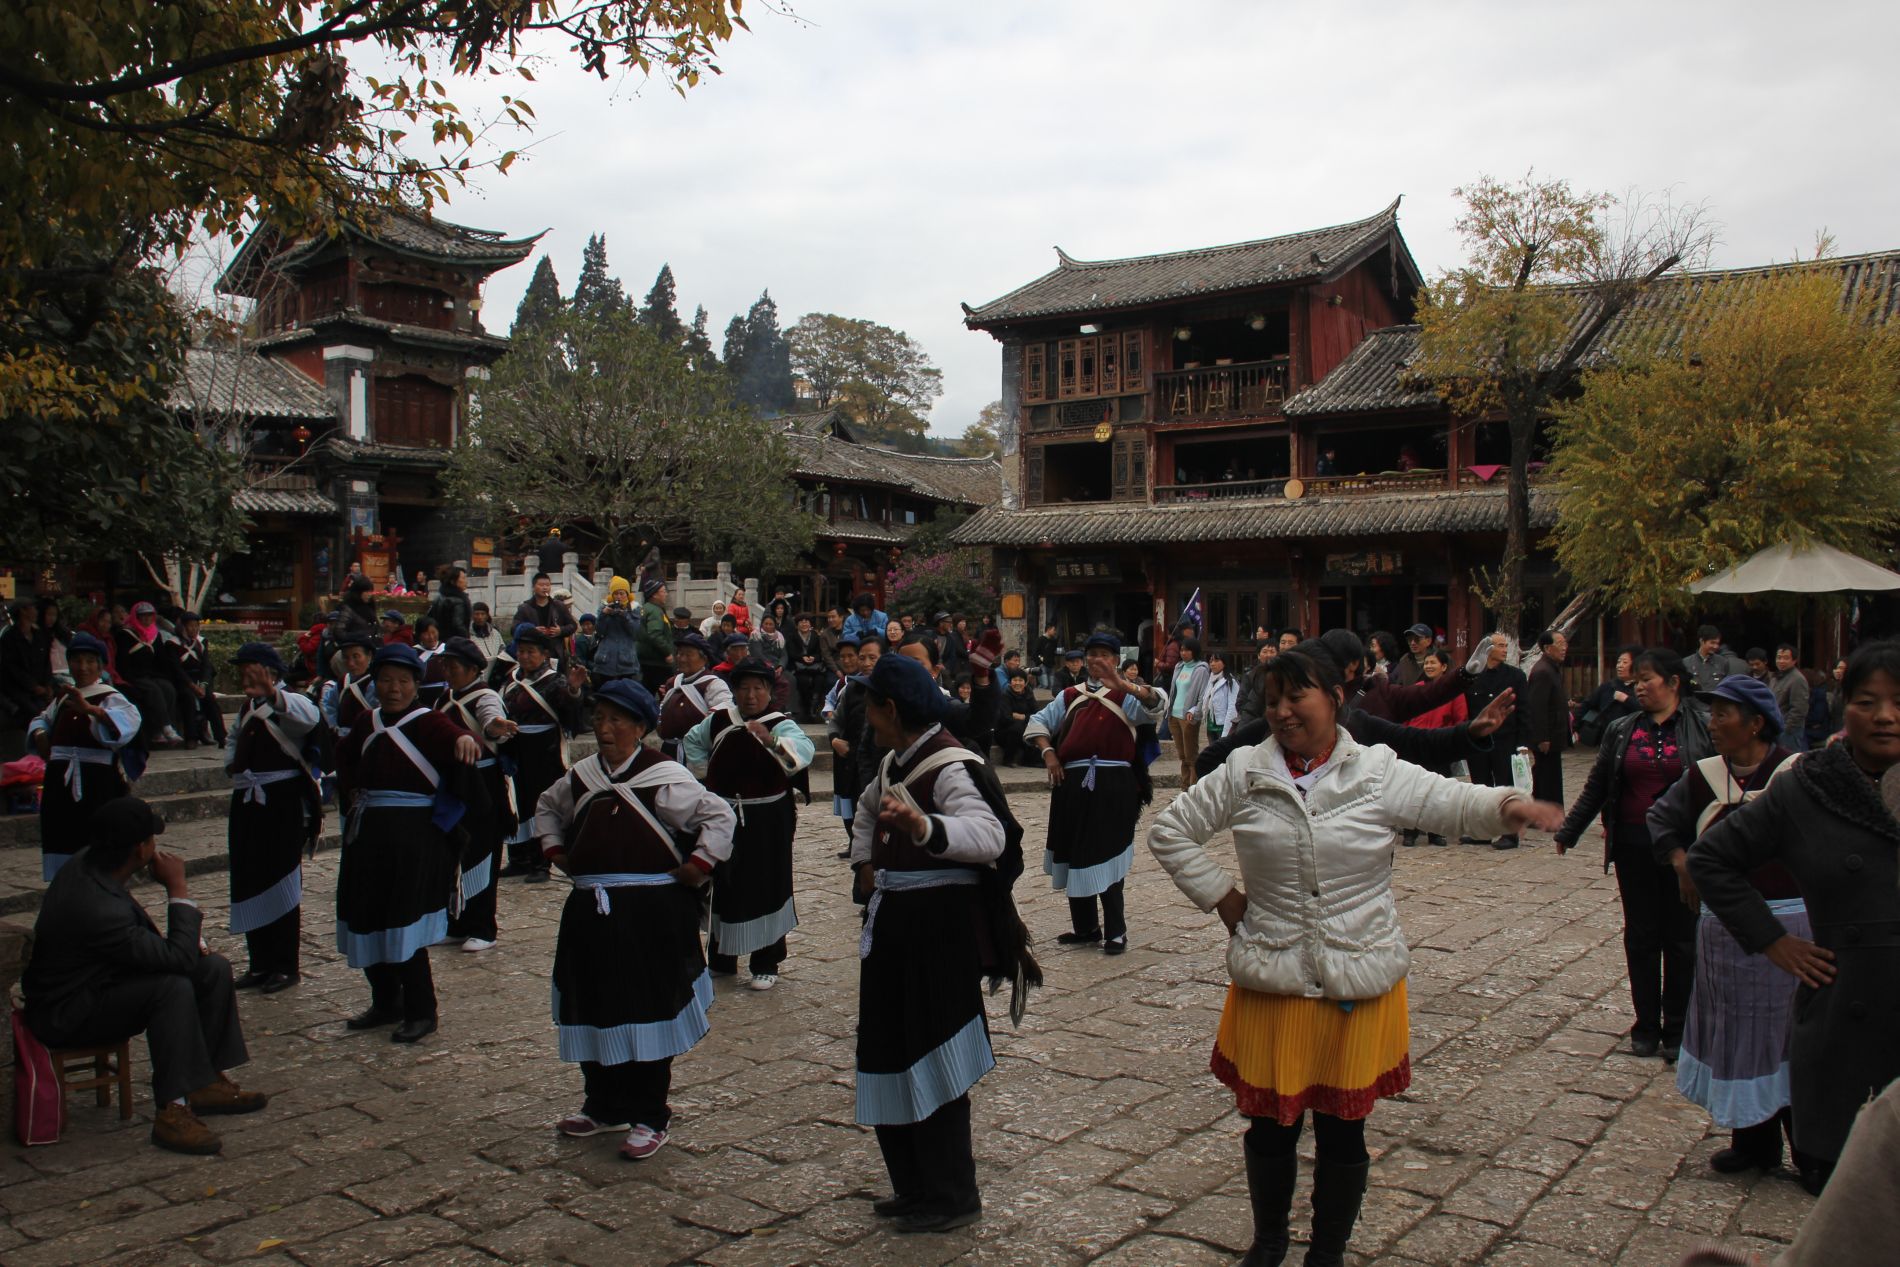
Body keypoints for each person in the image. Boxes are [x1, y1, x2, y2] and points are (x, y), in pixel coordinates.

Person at [1147, 648, 1561, 1267]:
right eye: (1274, 701)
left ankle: (1328, 1251)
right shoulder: (1244, 770)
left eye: (1297, 698)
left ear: (1335, 699)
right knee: (1269, 1127)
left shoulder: (1375, 769)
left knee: (1343, 1131)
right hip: (1274, 975)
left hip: (1353, 974)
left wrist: (1506, 806)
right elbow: (1170, 830)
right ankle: (1268, 1242)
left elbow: (1447, 801)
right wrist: (1226, 899)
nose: (1283, 712)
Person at [1688, 639, 1900, 1197]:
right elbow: (1713, 859)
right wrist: (1774, 940)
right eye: (1867, 701)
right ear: (1841, 705)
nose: (1885, 716)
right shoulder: (1807, 787)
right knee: (1840, 1187)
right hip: (1843, 1000)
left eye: (1899, 701)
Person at [535, 679, 736, 1161]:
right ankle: (602, 1104)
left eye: (616, 720)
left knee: (647, 1007)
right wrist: (558, 852)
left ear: (641, 727)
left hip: (651, 912)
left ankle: (650, 1114)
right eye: (599, 718)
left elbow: (720, 816)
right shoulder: (581, 778)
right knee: (594, 1002)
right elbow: (546, 807)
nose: (605, 728)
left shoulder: (664, 777)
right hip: (591, 909)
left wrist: (697, 866)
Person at [849, 653, 1009, 1234]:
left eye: (870, 705)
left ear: (890, 709)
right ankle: (911, 1186)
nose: (865, 716)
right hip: (894, 925)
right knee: (889, 1049)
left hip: (939, 931)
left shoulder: (947, 765)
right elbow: (868, 811)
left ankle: (951, 1194)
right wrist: (865, 863)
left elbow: (988, 835)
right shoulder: (895, 763)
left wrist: (924, 828)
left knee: (935, 1058)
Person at [21, 797, 268, 1154]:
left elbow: (160, 950)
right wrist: (177, 890)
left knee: (212, 969)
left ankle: (204, 1080)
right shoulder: (95, 904)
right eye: (151, 840)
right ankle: (173, 1109)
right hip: (69, 1009)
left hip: (102, 980)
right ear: (139, 849)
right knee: (171, 988)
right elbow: (175, 960)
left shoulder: (95, 867)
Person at [1644, 675, 1802, 1177]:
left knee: (1792, 1034)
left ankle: (1813, 1148)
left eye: (1722, 715)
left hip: (1790, 926)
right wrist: (1682, 860)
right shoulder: (1703, 776)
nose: (1711, 725)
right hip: (1726, 932)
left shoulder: (1798, 773)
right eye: (1709, 714)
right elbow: (1661, 819)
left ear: (1757, 723)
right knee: (1739, 1032)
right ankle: (1752, 1141)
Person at [1555, 648, 1711, 1061]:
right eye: (1636, 680)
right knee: (1640, 936)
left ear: (1673, 683)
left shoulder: (1702, 726)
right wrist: (1570, 830)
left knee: (1681, 939)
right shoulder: (1622, 729)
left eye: (1648, 679)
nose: (1639, 686)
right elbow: (1598, 785)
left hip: (1685, 851)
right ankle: (1646, 1025)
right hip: (1633, 846)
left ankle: (1677, 1029)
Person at [334, 642, 488, 1044]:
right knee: (367, 915)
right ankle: (385, 1001)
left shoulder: (428, 722)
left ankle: (422, 1010)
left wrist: (466, 741)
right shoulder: (367, 723)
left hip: (412, 837)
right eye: (386, 680)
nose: (393, 688)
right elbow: (345, 758)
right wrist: (351, 792)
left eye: (402, 681)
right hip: (369, 835)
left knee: (404, 921)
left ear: (416, 685)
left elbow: (460, 738)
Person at [1024, 629, 1164, 955]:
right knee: (1075, 852)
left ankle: (1116, 931)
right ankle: (1085, 927)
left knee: (1107, 854)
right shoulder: (1070, 695)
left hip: (1114, 787)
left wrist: (1125, 684)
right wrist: (1049, 753)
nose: (1097, 660)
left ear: (1115, 660)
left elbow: (1156, 704)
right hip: (1070, 785)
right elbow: (1037, 724)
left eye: (1104, 655)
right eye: (1092, 654)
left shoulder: (1128, 695)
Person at [684, 657, 813, 988]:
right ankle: (722, 959)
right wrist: (704, 778)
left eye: (758, 688)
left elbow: (801, 753)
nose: (751, 695)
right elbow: (692, 743)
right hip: (724, 815)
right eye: (744, 688)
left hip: (768, 818)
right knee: (723, 883)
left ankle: (766, 961)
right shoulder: (719, 720)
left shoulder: (779, 723)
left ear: (769, 691)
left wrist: (771, 743)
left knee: (767, 884)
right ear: (734, 691)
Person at [223, 643, 321, 993]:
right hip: (249, 799)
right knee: (250, 876)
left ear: (270, 672)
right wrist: (233, 766)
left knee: (280, 879)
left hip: (282, 801)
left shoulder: (288, 703)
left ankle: (284, 964)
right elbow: (234, 739)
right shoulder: (247, 707)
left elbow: (309, 717)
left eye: (252, 668)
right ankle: (259, 962)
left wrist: (275, 697)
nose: (245, 675)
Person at [27, 632, 142, 881]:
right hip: (60, 784)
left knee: (94, 839)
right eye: (77, 661)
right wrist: (39, 735)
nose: (83, 667)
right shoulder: (63, 698)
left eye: (90, 661)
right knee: (62, 836)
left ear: (100, 665)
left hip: (96, 784)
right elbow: (42, 719)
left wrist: (91, 710)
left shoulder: (110, 697)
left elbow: (129, 725)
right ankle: (65, 888)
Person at [434, 637, 518, 953]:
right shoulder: (444, 698)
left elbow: (490, 720)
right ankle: (457, 921)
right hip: (454, 782)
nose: (448, 671)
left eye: (453, 666)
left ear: (472, 669)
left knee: (481, 854)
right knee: (455, 853)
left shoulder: (485, 697)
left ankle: (483, 926)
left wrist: (497, 727)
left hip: (482, 784)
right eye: (446, 665)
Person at [499, 627, 581, 884]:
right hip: (516, 744)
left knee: (540, 804)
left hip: (544, 749)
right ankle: (518, 858)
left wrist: (574, 691)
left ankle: (541, 861)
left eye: (530, 652)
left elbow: (569, 709)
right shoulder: (511, 679)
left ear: (544, 654)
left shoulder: (554, 681)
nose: (524, 657)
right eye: (521, 652)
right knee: (516, 800)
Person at [1464, 632, 1530, 848]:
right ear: (1488, 648)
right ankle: (1482, 831)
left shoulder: (1515, 676)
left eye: (1505, 646)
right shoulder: (1474, 675)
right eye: (1500, 645)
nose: (1504, 649)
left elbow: (1524, 711)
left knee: (1505, 788)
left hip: (1505, 739)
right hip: (1479, 740)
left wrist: (1523, 743)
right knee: (1480, 787)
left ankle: (1510, 833)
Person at [1400, 648, 1469, 847]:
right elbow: (1404, 716)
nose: (1429, 666)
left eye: (1433, 663)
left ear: (1444, 667)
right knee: (1411, 790)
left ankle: (1435, 832)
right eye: (1427, 663)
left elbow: (1460, 719)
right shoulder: (1416, 688)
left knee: (1437, 792)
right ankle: (1410, 831)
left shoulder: (1453, 691)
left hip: (1440, 744)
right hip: (1415, 743)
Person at [654, 633, 732, 765]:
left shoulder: (714, 685)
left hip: (697, 756)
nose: (682, 659)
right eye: (679, 653)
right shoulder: (673, 683)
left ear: (704, 659)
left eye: (688, 654)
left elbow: (723, 712)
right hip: (669, 751)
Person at [827, 636, 872, 858]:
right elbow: (837, 717)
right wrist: (834, 738)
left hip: (869, 755)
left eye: (852, 656)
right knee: (848, 800)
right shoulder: (849, 687)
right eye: (842, 656)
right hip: (845, 754)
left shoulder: (884, 687)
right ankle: (854, 842)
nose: (848, 660)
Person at [113, 600, 182, 747]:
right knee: (153, 690)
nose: (147, 619)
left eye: (150, 616)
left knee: (168, 689)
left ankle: (159, 731)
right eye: (143, 616)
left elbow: (160, 660)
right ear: (136, 617)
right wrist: (128, 678)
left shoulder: (154, 635)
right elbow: (122, 661)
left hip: (151, 674)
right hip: (133, 675)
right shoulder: (125, 635)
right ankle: (165, 727)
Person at [1523, 629, 1571, 804]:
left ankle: (1544, 815)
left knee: (1548, 776)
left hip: (1553, 733)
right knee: (1547, 777)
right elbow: (1537, 707)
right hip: (1546, 736)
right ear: (1547, 648)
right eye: (1560, 644)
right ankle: (1546, 815)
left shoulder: (1552, 668)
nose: (1564, 648)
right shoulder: (1543, 671)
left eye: (1565, 643)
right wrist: (1542, 737)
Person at [172, 612, 223, 750]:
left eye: (196, 626)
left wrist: (203, 685)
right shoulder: (172, 643)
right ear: (183, 627)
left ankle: (221, 736)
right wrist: (192, 686)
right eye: (190, 626)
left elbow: (206, 667)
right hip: (183, 680)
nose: (194, 629)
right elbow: (176, 669)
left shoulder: (202, 642)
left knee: (209, 699)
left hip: (200, 680)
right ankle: (191, 737)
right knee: (188, 698)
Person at [1169, 637, 1211, 788]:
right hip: (1174, 714)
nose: (1183, 653)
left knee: (1191, 754)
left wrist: (1195, 711)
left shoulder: (1201, 669)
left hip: (1189, 716)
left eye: (1187, 650)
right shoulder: (1179, 666)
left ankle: (1193, 786)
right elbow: (1175, 690)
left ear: (1194, 651)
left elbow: (1202, 694)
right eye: (1181, 650)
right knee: (1182, 755)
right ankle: (1184, 785)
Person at [1580, 645, 1642, 746]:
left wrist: (1626, 699)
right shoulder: (1608, 686)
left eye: (1625, 662)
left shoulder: (1642, 687)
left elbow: (1646, 711)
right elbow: (1587, 704)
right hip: (1607, 739)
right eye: (1618, 662)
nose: (1619, 665)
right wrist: (1577, 727)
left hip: (1633, 739)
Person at [591, 577, 641, 683]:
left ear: (627, 594)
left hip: (626, 661)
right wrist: (604, 615)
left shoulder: (634, 609)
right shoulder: (604, 608)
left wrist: (625, 616)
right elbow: (599, 632)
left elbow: (635, 632)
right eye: (616, 594)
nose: (619, 597)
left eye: (622, 593)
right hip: (606, 660)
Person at [513, 573, 578, 648]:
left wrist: (561, 630)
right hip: (534, 648)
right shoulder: (525, 608)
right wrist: (532, 630)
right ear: (533, 587)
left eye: (547, 585)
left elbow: (573, 625)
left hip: (555, 649)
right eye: (541, 585)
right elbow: (514, 629)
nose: (545, 588)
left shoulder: (559, 606)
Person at [994, 668, 1040, 766]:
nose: (1017, 683)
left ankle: (1029, 759)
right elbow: (1006, 717)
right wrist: (1026, 718)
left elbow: (1037, 714)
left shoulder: (1029, 693)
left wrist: (1023, 717)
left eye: (1020, 680)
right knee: (1017, 727)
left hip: (1023, 729)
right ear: (1010, 682)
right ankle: (1008, 759)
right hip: (1004, 731)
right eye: (1015, 680)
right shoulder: (1005, 695)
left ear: (1026, 682)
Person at [1768, 644, 1810, 750]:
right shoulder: (1775, 677)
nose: (1781, 661)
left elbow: (1799, 710)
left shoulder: (1797, 679)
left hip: (1789, 731)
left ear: (1794, 660)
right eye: (1779, 657)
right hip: (1774, 728)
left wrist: (1786, 729)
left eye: (1786, 658)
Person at [637, 578, 676, 691]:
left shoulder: (646, 608)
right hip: (657, 661)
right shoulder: (655, 611)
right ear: (654, 595)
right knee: (666, 691)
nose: (666, 594)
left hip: (646, 659)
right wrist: (667, 652)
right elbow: (655, 634)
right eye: (663, 591)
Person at [787, 614, 826, 721]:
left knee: (820, 679)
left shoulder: (815, 636)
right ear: (797, 625)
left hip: (814, 666)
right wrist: (802, 658)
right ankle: (806, 708)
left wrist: (813, 658)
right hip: (799, 667)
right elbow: (791, 652)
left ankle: (814, 707)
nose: (804, 624)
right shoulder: (792, 636)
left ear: (810, 624)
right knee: (803, 681)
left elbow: (820, 653)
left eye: (806, 621)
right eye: (801, 622)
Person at [1684, 626, 1747, 692]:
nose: (1716, 646)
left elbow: (1727, 687)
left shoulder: (1723, 662)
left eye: (1717, 643)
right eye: (1712, 643)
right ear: (1702, 641)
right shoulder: (1687, 663)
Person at [1233, 639, 1277, 727]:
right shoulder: (1250, 675)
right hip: (1251, 722)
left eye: (1272, 652)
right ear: (1258, 655)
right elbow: (1241, 701)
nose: (1268, 655)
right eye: (1264, 652)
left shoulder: (1282, 675)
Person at [428, 566, 472, 640]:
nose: (466, 581)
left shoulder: (438, 598)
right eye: (463, 578)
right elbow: (458, 625)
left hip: (440, 641)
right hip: (456, 643)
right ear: (453, 581)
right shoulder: (459, 601)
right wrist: (467, 640)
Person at [1391, 623, 1435, 688]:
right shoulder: (1404, 660)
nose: (1412, 643)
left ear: (1428, 641)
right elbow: (1394, 681)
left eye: (1417, 639)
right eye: (1409, 639)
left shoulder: (1439, 658)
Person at [1033, 623, 1060, 692]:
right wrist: (1040, 662)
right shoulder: (1040, 640)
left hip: (1051, 665)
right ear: (1048, 630)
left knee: (1052, 686)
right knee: (1044, 685)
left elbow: (1054, 652)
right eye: (1053, 630)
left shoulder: (1053, 641)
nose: (1055, 632)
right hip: (1042, 665)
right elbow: (1035, 653)